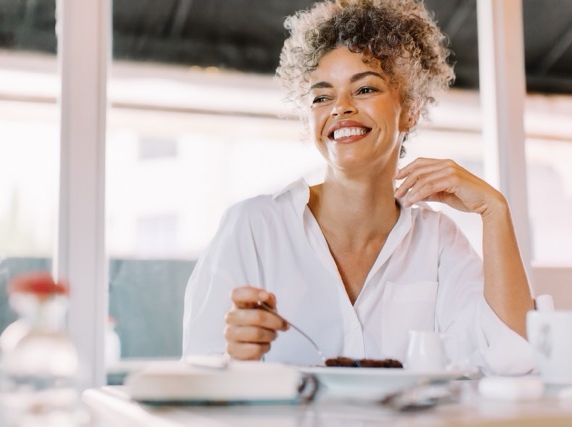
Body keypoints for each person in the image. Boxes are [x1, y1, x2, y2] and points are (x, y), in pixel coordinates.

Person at [182, 0, 535, 375]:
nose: (340, 107)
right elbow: (196, 372)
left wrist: (494, 211)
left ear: (410, 110)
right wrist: (232, 355)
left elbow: (511, 360)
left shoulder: (438, 241)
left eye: (365, 89)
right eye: (322, 96)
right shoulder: (253, 227)